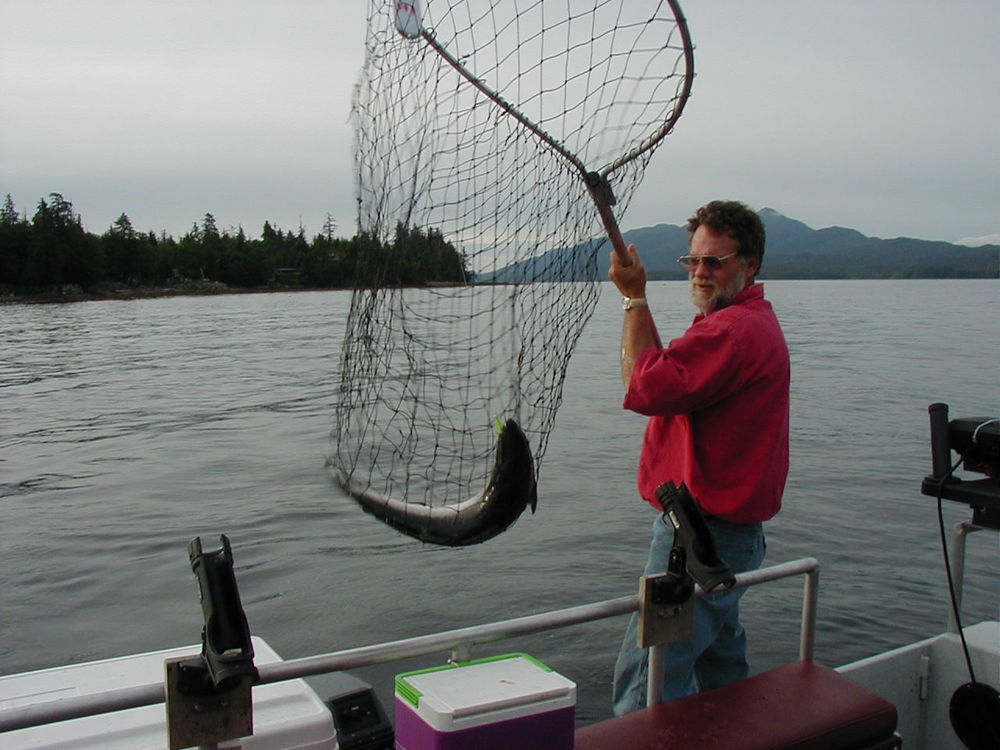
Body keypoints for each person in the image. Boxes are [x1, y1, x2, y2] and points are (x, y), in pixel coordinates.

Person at [608, 199, 790, 714]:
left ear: (750, 265)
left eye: (716, 261)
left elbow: (644, 387)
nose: (701, 273)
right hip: (733, 537)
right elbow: (665, 378)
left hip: (699, 541)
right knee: (724, 675)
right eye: (694, 261)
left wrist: (633, 298)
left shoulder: (729, 333)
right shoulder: (744, 323)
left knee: (646, 686)